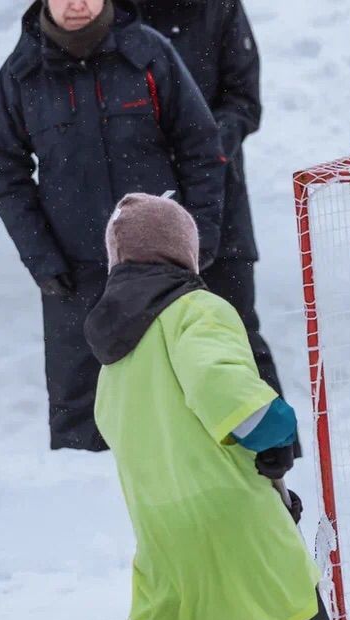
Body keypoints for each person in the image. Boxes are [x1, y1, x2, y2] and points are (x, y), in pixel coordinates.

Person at [86, 194, 327, 620]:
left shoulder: (115, 346)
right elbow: (221, 383)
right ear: (183, 251)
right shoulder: (196, 309)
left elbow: (116, 426)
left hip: (162, 522)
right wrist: (273, 431)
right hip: (233, 509)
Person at [0, 0, 224, 452]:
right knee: (80, 412)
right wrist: (43, 260)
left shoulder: (148, 54)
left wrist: (195, 241)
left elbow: (202, 151)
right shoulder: (21, 73)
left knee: (175, 397)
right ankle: (83, 507)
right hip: (72, 275)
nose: (77, 4)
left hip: (160, 270)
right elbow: (5, 171)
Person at [136, 0, 290, 410]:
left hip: (219, 200)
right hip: (139, 205)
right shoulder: (109, 14)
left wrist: (201, 145)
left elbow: (244, 101)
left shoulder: (219, 8)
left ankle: (274, 452)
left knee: (233, 329)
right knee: (150, 347)